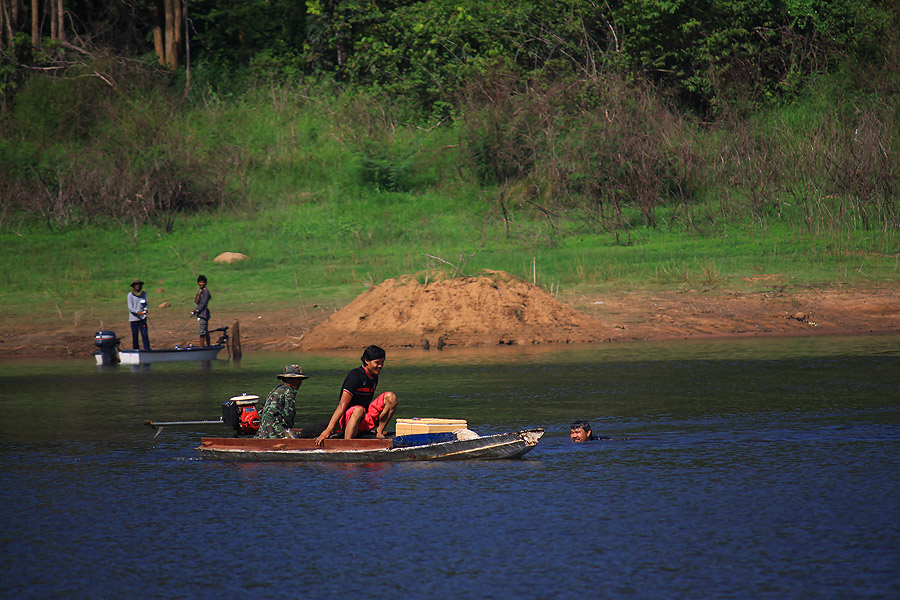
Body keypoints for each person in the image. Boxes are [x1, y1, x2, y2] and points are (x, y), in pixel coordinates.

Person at [315, 345, 398, 446]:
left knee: (391, 397)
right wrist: (329, 429)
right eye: (377, 362)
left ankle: (379, 432)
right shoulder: (355, 376)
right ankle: (347, 443)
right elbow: (342, 405)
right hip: (348, 420)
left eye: (382, 362)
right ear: (367, 361)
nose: (380, 366)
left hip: (363, 418)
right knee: (359, 409)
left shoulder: (374, 376)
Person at [255, 365, 310, 439]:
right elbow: (288, 415)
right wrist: (288, 431)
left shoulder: (277, 389)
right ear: (289, 379)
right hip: (275, 433)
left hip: (263, 433)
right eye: (297, 379)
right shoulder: (288, 392)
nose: (300, 382)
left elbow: (261, 413)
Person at [127, 279, 151, 350]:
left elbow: (146, 304)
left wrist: (146, 309)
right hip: (134, 319)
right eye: (136, 284)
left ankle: (147, 349)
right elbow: (130, 307)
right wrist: (137, 312)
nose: (137, 286)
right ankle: (136, 349)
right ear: (134, 286)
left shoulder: (144, 294)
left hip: (142, 318)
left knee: (144, 334)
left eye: (139, 284)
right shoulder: (130, 295)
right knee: (135, 335)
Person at [191, 275, 211, 347]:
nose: (202, 284)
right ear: (198, 283)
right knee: (205, 331)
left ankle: (202, 347)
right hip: (201, 314)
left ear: (205, 283)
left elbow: (203, 304)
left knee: (202, 332)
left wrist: (196, 310)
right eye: (200, 282)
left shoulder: (206, 292)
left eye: (203, 282)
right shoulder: (201, 291)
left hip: (204, 314)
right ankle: (208, 346)